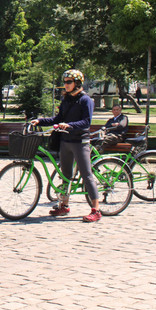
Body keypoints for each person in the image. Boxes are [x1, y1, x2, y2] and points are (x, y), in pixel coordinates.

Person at [30, 69, 101, 223]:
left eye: (69, 82)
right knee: (66, 175)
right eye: (65, 82)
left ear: (77, 83)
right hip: (65, 142)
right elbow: (58, 118)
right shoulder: (67, 100)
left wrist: (69, 125)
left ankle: (96, 209)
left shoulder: (85, 100)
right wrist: (40, 121)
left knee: (86, 174)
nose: (66, 85)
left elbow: (86, 122)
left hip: (79, 142)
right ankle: (65, 205)